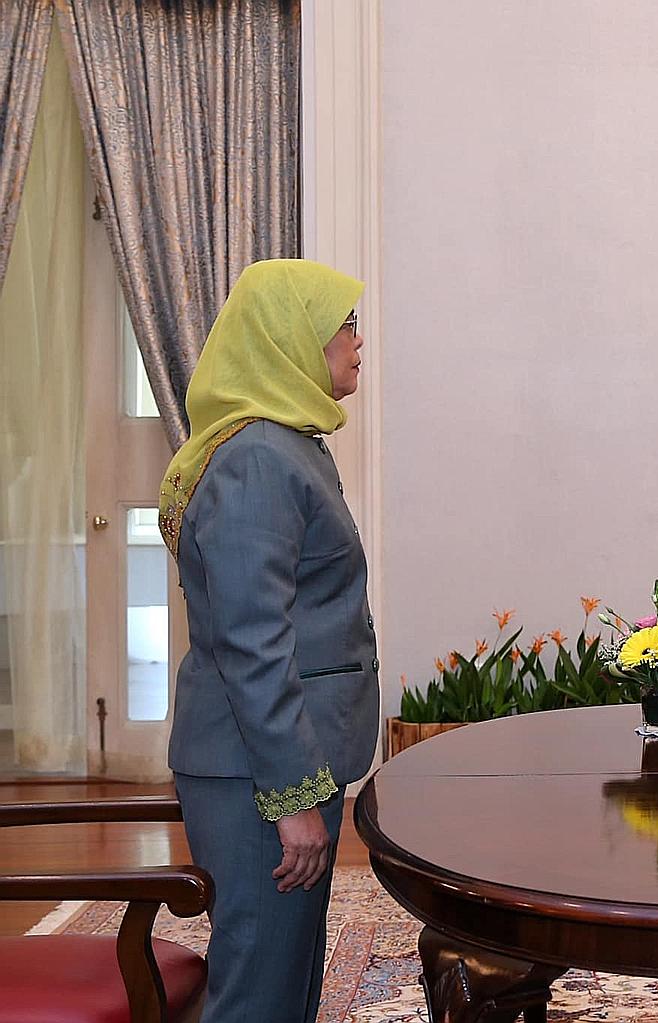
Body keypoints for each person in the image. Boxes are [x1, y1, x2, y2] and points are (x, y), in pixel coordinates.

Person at [158, 258, 380, 1023]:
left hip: (274, 759)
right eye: (344, 324)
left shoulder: (288, 442)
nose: (358, 340)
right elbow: (256, 645)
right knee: (258, 993)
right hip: (256, 774)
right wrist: (291, 800)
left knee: (284, 986)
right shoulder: (257, 458)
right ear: (292, 336)